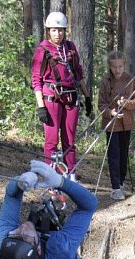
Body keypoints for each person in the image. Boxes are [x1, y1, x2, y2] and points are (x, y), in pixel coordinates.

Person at [30, 12, 92, 181]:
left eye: (61, 30)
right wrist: (40, 106)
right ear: (48, 31)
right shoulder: (42, 50)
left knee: (69, 140)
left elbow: (78, 74)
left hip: (71, 98)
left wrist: (87, 98)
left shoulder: (70, 48)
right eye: (54, 30)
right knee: (51, 140)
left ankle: (71, 174)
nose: (58, 34)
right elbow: (36, 80)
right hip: (51, 98)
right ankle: (52, 176)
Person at [98, 51, 135, 201]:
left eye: (120, 66)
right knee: (114, 155)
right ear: (109, 67)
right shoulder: (105, 81)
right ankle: (115, 187)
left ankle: (121, 183)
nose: (117, 70)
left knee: (123, 154)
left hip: (127, 123)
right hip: (111, 124)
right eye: (114, 67)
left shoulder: (130, 80)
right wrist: (111, 112)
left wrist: (126, 104)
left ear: (124, 65)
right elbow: (101, 104)